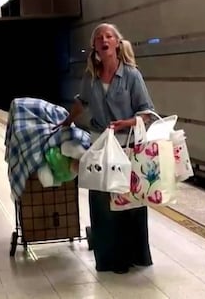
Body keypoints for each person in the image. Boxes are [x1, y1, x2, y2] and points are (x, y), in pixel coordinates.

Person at [58, 23, 154, 274]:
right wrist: (66, 121)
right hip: (99, 147)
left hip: (126, 147)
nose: (104, 39)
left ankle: (132, 257)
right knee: (102, 204)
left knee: (128, 203)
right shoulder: (90, 77)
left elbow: (147, 113)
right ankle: (109, 259)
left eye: (108, 36)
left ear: (116, 43)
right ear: (95, 47)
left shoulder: (132, 75)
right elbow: (82, 102)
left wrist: (127, 122)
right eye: (99, 37)